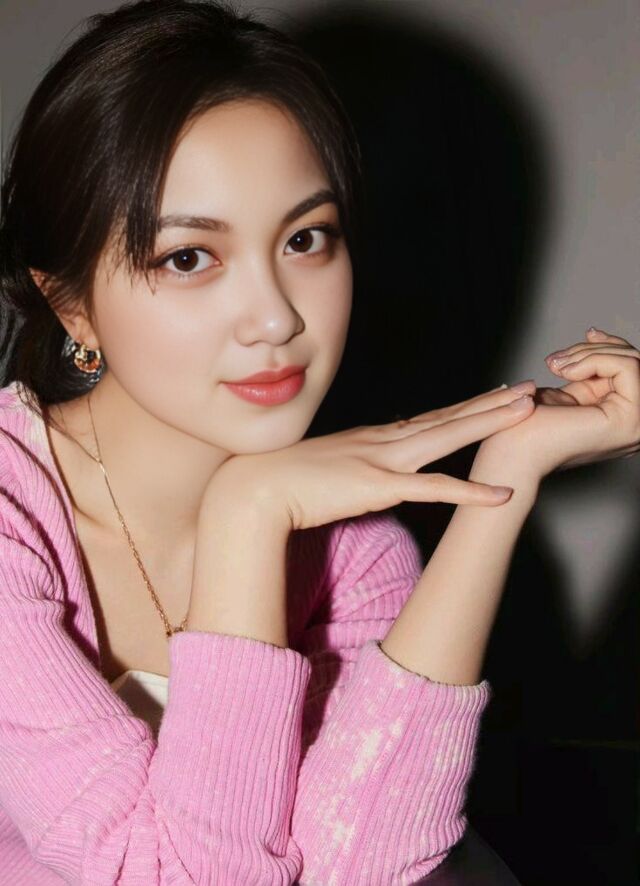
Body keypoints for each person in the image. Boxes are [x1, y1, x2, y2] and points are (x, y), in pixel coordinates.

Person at [0, 1, 637, 883]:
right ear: (69, 304)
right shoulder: (13, 521)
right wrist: (246, 517)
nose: (276, 318)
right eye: (189, 257)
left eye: (306, 239)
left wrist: (505, 481)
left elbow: (371, 864)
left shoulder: (356, 556)